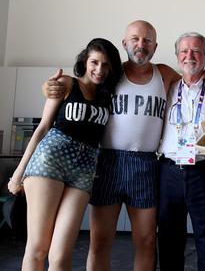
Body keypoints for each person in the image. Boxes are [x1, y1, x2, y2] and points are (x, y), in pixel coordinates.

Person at [43, 20, 205, 271]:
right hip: (108, 162)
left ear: (155, 46)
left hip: (146, 164)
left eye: (147, 40)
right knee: (100, 241)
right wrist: (49, 87)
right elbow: (76, 86)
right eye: (135, 39)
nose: (141, 45)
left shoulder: (165, 74)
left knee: (146, 242)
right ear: (124, 43)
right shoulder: (109, 75)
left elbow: (192, 79)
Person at [7, 38, 123, 271]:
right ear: (85, 61)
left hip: (85, 167)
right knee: (38, 248)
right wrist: (18, 173)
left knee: (60, 255)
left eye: (106, 65)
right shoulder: (67, 83)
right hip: (51, 160)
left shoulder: (107, 96)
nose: (99, 69)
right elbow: (43, 127)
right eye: (94, 62)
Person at [157, 32, 205, 271]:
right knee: (169, 241)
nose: (190, 56)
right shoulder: (165, 87)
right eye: (184, 51)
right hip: (168, 173)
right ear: (177, 57)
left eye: (196, 51)